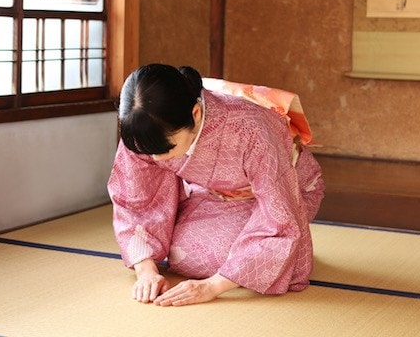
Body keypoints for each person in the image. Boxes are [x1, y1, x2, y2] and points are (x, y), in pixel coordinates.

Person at [107, 63, 324, 307]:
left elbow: (280, 212)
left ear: (196, 113)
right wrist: (145, 270)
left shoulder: (249, 128)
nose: (156, 159)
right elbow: (136, 197)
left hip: (284, 192)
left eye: (165, 149)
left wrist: (213, 286)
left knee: (222, 257)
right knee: (183, 254)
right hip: (214, 193)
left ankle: (286, 252)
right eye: (150, 152)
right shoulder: (143, 129)